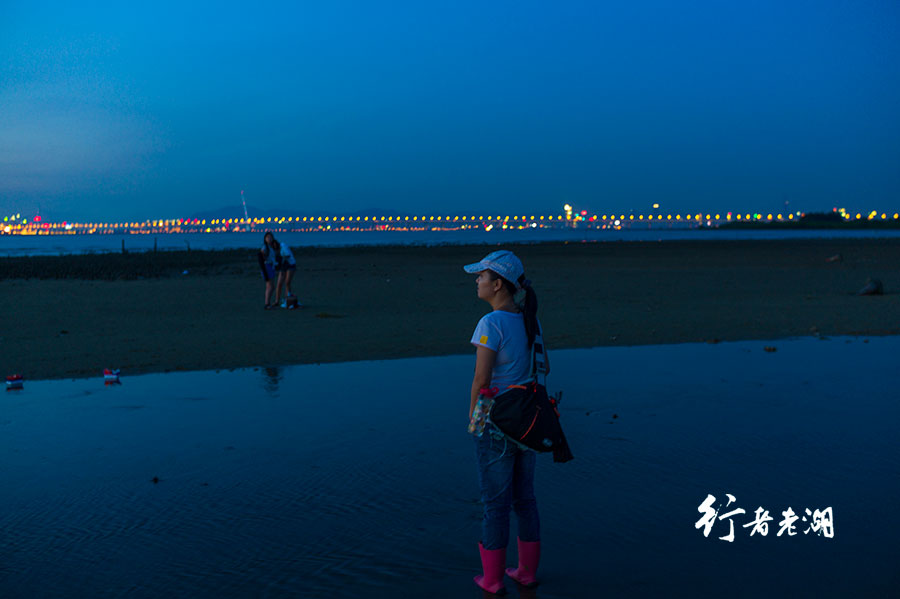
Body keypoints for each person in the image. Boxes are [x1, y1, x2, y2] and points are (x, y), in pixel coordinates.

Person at [464, 249, 542, 594]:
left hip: (496, 420)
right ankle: (526, 572)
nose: (477, 282)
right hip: (529, 420)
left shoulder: (490, 323)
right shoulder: (529, 320)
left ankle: (492, 579)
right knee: (525, 499)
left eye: (481, 277)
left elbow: (482, 380)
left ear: (498, 284)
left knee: (495, 503)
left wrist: (474, 421)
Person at [272, 237, 298, 308]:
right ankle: (277, 301)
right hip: (283, 266)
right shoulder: (274, 250)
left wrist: (280, 259)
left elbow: (288, 255)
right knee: (279, 283)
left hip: (290, 265)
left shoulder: (283, 246)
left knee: (287, 282)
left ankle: (288, 299)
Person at [257, 232, 278, 309]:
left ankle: (267, 303)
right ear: (265, 239)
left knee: (269, 286)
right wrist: (265, 259)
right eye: (268, 237)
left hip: (271, 266)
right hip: (267, 266)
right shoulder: (265, 247)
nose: (269, 239)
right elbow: (261, 256)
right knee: (270, 286)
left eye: (271, 237)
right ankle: (267, 303)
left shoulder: (270, 247)